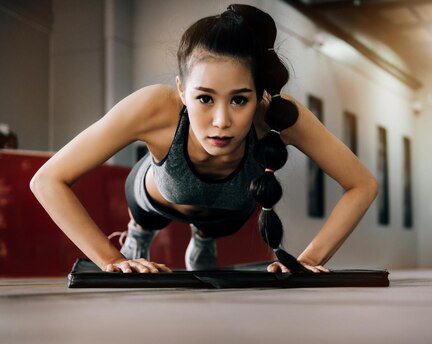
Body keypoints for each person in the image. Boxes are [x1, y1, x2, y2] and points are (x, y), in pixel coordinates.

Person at [30, 4, 378, 274]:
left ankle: (203, 236)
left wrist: (308, 259)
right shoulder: (154, 106)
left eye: (240, 99)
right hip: (155, 199)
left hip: (227, 213)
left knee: (227, 214)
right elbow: (48, 180)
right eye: (205, 98)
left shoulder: (279, 116)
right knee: (149, 216)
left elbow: (362, 184)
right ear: (182, 91)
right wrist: (109, 258)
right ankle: (139, 231)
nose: (221, 121)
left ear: (260, 95)